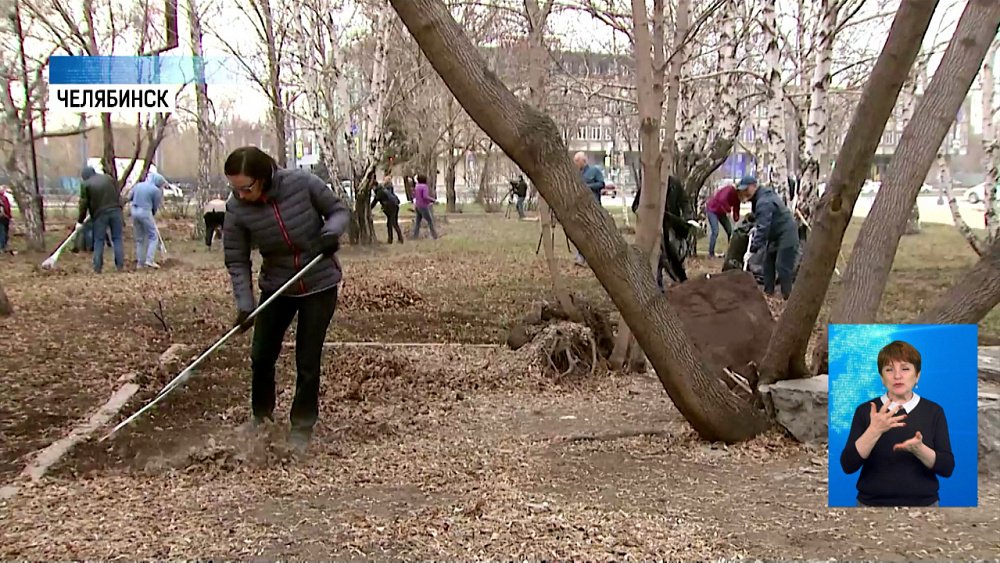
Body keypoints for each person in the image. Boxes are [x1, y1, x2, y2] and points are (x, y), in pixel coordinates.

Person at [222, 146, 351, 452]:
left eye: (246, 187)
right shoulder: (236, 209)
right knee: (262, 355)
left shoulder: (301, 183)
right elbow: (237, 259)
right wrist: (245, 304)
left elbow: (339, 211)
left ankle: (302, 427)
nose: (240, 194)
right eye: (234, 188)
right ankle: (261, 419)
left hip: (319, 280)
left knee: (307, 359)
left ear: (263, 177)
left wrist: (330, 234)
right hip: (277, 284)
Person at [840, 340, 954, 507]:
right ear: (882, 377)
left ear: (917, 375)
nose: (897, 376)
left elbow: (947, 468)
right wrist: (874, 430)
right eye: (889, 369)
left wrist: (919, 449)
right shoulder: (865, 411)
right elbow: (848, 465)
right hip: (871, 506)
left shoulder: (934, 412)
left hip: (924, 507)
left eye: (905, 369)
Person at [734, 175, 799, 299]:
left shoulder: (764, 201)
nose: (745, 193)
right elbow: (761, 219)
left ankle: (788, 296)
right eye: (743, 191)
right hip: (775, 234)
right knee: (768, 263)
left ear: (754, 186)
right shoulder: (759, 198)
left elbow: (763, 228)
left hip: (787, 232)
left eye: (746, 190)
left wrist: (753, 249)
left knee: (782, 265)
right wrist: (754, 221)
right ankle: (768, 293)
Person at [631, 176, 692, 289]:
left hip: (671, 226)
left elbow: (684, 202)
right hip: (652, 228)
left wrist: (687, 217)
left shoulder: (674, 183)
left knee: (673, 256)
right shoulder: (649, 184)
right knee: (658, 257)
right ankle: (657, 285)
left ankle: (681, 281)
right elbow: (635, 206)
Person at [77, 165, 124, 273]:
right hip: (115, 211)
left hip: (100, 214)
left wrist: (80, 220)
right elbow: (117, 194)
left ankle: (97, 267)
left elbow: (83, 204)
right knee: (117, 238)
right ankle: (120, 265)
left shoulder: (86, 184)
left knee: (99, 240)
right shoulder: (108, 178)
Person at [573, 152, 605, 266]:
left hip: (593, 206)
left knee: (594, 232)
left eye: (577, 161)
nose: (575, 163)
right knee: (581, 232)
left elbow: (601, 184)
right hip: (581, 206)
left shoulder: (594, 171)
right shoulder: (577, 174)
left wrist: (587, 187)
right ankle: (580, 256)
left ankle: (596, 256)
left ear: (584, 161)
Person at [130, 172, 165, 269]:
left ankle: (140, 263)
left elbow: (130, 197)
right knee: (153, 236)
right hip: (145, 212)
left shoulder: (138, 185)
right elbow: (155, 205)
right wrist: (152, 214)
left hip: (134, 211)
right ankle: (150, 260)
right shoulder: (156, 190)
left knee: (140, 238)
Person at [706, 181, 740, 258]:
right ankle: (711, 254)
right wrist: (728, 210)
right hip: (712, 209)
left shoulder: (738, 197)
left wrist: (736, 217)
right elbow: (721, 200)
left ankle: (730, 253)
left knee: (730, 231)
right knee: (715, 231)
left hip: (721, 212)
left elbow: (736, 207)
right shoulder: (729, 189)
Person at [371, 178, 403, 244]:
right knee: (390, 224)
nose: (372, 189)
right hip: (394, 206)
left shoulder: (379, 192)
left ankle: (399, 239)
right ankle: (391, 240)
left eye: (372, 187)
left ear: (374, 186)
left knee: (393, 223)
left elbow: (375, 201)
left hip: (392, 207)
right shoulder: (382, 189)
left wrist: (369, 208)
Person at [411, 174, 438, 239]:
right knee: (430, 221)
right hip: (423, 206)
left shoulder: (417, 186)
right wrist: (433, 200)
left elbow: (414, 195)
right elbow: (425, 196)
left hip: (417, 206)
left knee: (417, 222)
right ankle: (434, 236)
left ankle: (415, 236)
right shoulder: (424, 187)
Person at [0, 185, 11, 253]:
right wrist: (8, 216)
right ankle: (3, 247)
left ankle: (3, 246)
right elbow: (6, 208)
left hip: (4, 217)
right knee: (3, 232)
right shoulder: (4, 198)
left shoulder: (4, 198)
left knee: (3, 232)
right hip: (3, 218)